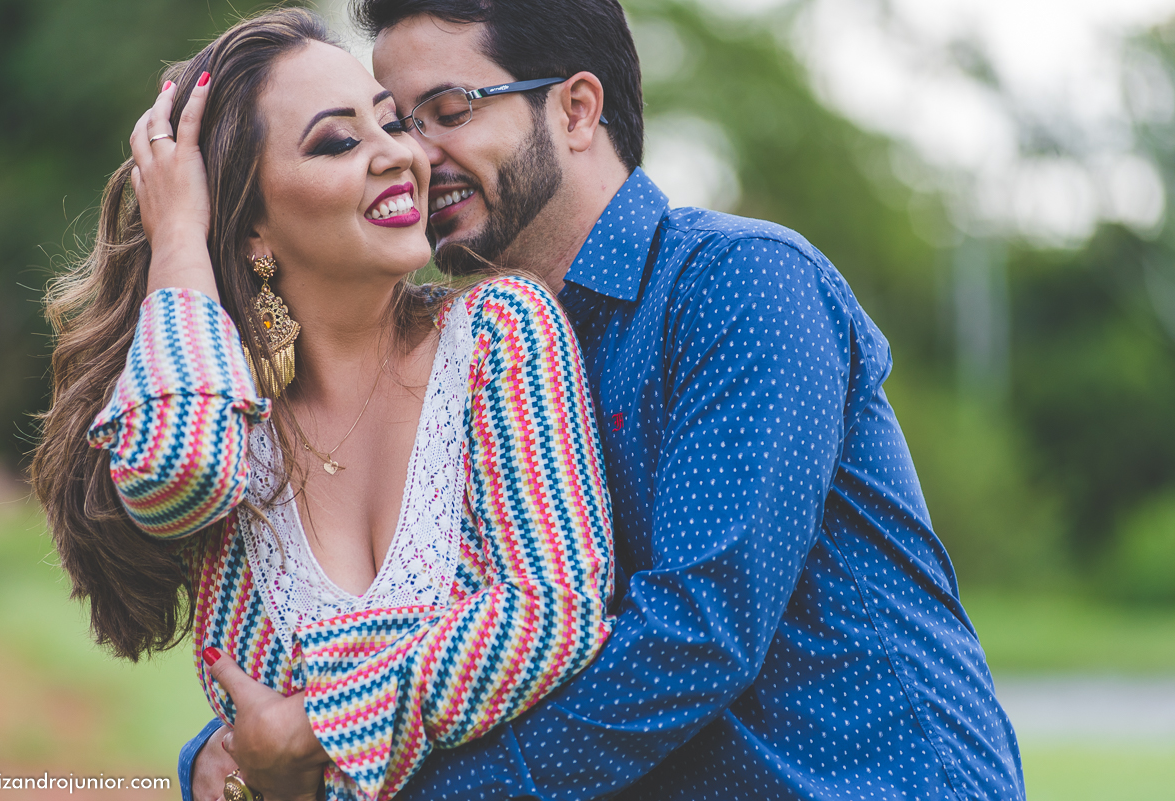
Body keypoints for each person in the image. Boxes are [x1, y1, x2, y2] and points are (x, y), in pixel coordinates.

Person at [181, 1, 1027, 800]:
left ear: (578, 110)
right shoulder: (469, 363)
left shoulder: (741, 286)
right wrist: (234, 746)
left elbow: (697, 633)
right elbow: (426, 640)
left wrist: (363, 774)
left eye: (449, 109)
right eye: (400, 120)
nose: (410, 154)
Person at [29, 8, 619, 801]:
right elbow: (179, 471)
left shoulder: (499, 330)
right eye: (338, 142)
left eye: (390, 123)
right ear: (253, 231)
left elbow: (550, 613)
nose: (400, 155)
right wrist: (178, 241)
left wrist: (314, 724)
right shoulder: (229, 419)